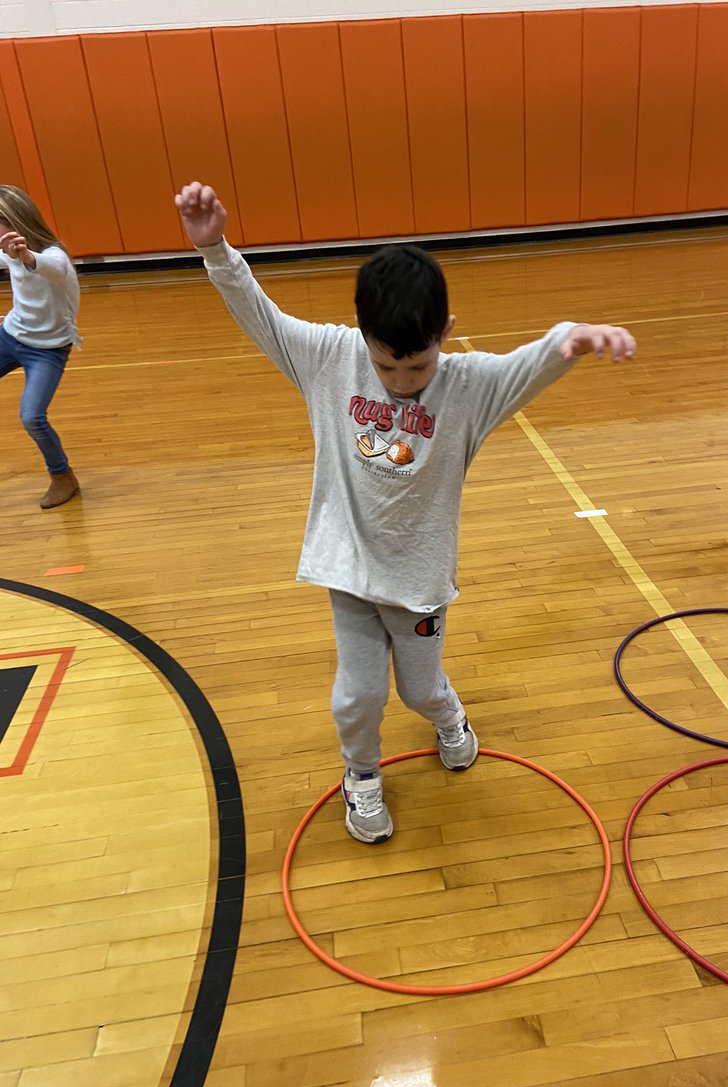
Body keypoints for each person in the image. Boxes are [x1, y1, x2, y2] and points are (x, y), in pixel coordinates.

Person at [175, 180, 636, 845]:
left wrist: (580, 335)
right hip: (350, 571)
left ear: (444, 334)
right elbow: (260, 314)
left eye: (416, 366)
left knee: (418, 692)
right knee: (356, 696)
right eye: (387, 365)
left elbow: (538, 356)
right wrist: (214, 246)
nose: (400, 381)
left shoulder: (470, 386)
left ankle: (448, 716)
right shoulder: (329, 358)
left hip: (420, 585)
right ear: (362, 334)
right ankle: (360, 774)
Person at [0, 185, 81, 509]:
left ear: (16, 221)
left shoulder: (54, 256)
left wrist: (26, 256)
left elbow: (50, 268)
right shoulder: (6, 251)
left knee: (32, 417)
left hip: (47, 349)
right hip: (10, 335)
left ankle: (63, 477)